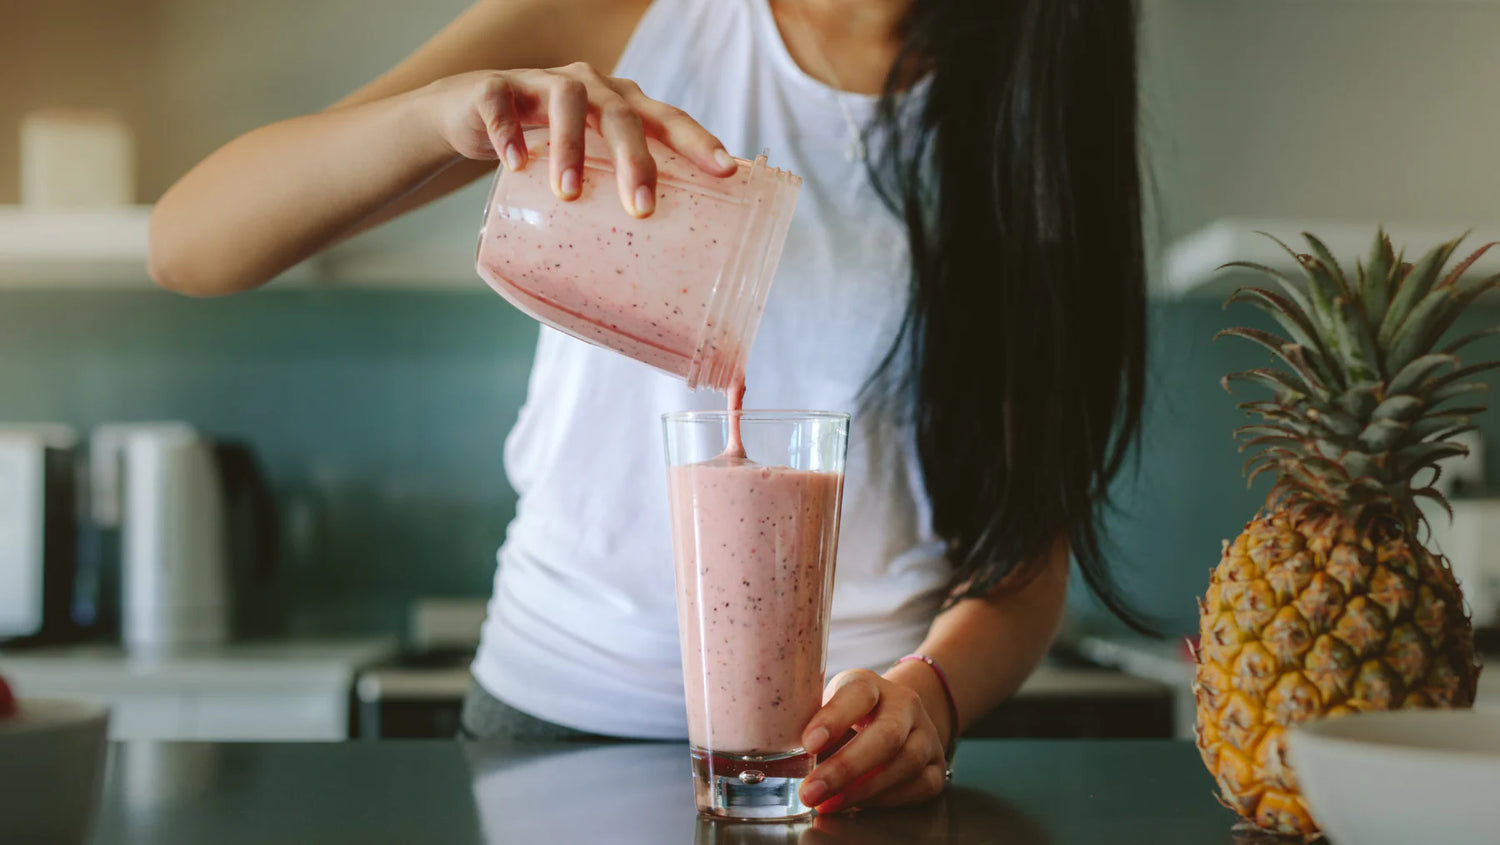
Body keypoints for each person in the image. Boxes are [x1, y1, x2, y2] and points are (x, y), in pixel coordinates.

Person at [150, 0, 1148, 814]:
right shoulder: (634, 21)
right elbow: (192, 243)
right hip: (550, 733)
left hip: (841, 769)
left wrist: (930, 692)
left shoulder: (1033, 112)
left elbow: (1029, 555)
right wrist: (446, 114)